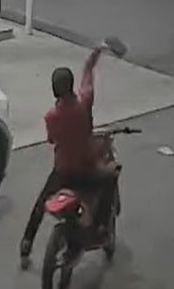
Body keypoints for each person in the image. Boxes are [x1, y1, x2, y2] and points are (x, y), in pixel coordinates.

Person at [19, 44, 113, 262]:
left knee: (41, 202)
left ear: (54, 89)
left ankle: (26, 244)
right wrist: (95, 53)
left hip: (62, 173)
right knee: (110, 178)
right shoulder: (84, 102)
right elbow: (88, 75)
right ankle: (101, 228)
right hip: (87, 169)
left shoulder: (51, 117)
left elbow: (52, 140)